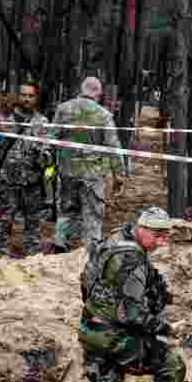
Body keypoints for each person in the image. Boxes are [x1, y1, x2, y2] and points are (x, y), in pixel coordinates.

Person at [77, 206, 187, 382]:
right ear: (144, 230)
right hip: (116, 337)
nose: (162, 243)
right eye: (159, 237)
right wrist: (165, 328)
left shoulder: (113, 240)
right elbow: (133, 315)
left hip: (91, 331)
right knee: (172, 364)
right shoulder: (133, 260)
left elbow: (86, 282)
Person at [51, 76, 129, 253]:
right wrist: (119, 175)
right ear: (99, 94)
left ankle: (60, 242)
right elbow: (113, 147)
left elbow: (51, 138)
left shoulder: (63, 109)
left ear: (81, 89)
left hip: (67, 171)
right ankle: (90, 251)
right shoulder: (104, 115)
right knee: (93, 214)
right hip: (92, 174)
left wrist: (52, 165)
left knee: (66, 209)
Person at [0, 80, 52, 258]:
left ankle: (32, 254)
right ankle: (0, 253)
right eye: (23, 95)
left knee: (33, 221)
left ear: (36, 98)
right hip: (7, 179)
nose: (27, 99)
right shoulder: (4, 119)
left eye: (31, 96)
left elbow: (49, 152)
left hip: (32, 181)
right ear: (18, 96)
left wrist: (44, 156)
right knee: (4, 219)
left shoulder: (42, 122)